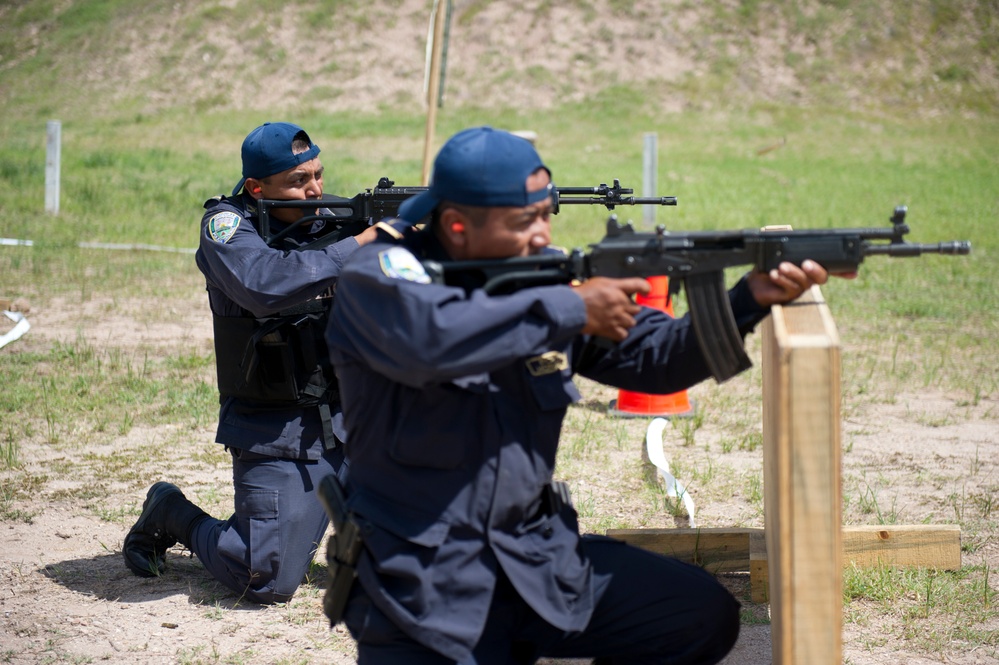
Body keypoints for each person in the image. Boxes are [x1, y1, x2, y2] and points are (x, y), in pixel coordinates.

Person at [324, 126, 846, 664]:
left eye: (547, 213)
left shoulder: (536, 280)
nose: (544, 235)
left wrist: (747, 299)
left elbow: (656, 357)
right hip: (422, 588)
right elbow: (430, 339)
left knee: (695, 613)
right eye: (526, 222)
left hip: (531, 561)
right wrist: (573, 309)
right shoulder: (380, 277)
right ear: (457, 225)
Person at [122, 121, 382, 604]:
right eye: (298, 181)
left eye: (318, 175)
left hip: (357, 419)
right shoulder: (226, 228)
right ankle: (169, 512)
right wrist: (361, 246)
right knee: (263, 577)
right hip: (279, 425)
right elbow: (265, 286)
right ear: (256, 188)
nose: (315, 190)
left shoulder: (336, 220)